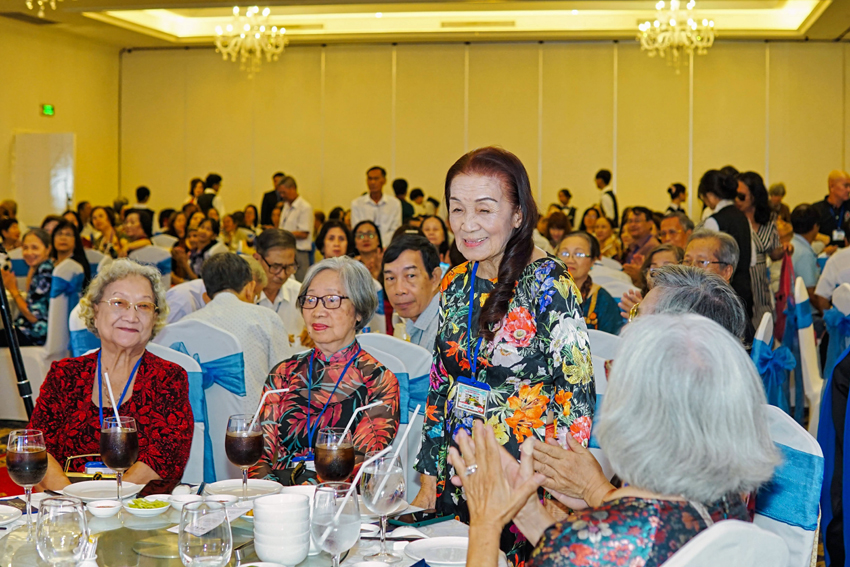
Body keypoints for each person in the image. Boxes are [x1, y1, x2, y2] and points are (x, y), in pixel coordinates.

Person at [454, 312, 778, 567]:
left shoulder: (592, 542)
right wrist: (524, 509)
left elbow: (582, 554)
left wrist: (485, 524)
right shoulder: (725, 507)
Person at [413, 147, 594, 564]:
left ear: (517, 215)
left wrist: (557, 498)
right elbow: (440, 384)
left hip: (526, 484)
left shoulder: (548, 284)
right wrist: (428, 477)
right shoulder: (456, 282)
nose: (467, 224)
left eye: (484, 209)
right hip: (460, 468)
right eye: (457, 209)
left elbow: (576, 400)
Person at [28, 259, 193, 490]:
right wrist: (71, 500)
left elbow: (165, 458)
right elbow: (38, 449)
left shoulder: (169, 378)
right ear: (96, 311)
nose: (132, 316)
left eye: (144, 306)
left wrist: (109, 501)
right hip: (66, 503)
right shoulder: (65, 375)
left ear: (155, 318)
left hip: (138, 506)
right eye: (119, 303)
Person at [250, 257, 399, 480]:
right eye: (310, 300)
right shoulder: (283, 373)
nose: (318, 311)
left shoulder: (378, 380)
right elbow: (259, 454)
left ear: (359, 311)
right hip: (281, 493)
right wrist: (271, 492)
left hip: (340, 495)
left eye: (332, 300)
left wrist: (307, 493)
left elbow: (360, 465)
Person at [184, 253, 292, 412]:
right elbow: (285, 382)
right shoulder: (266, 318)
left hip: (198, 424)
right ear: (250, 288)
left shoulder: (185, 324)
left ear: (206, 295)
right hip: (254, 422)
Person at [699, 169, 755, 320]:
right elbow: (753, 259)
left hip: (721, 294)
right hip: (744, 290)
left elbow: (707, 264)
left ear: (710, 196)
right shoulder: (744, 218)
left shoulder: (714, 221)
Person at [736, 172, 786, 325]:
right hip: (739, 281)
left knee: (763, 325)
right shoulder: (734, 219)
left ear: (754, 195)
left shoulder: (768, 218)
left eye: (742, 196)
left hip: (760, 284)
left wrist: (785, 249)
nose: (737, 200)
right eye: (735, 195)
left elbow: (774, 253)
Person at [382, 234, 442, 350]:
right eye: (390, 278)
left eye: (410, 276)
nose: (399, 290)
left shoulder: (443, 333)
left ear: (435, 278)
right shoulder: (417, 321)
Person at [557, 232, 624, 335]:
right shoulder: (543, 293)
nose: (570, 260)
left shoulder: (602, 300)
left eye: (579, 254)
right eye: (564, 253)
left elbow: (612, 340)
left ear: (593, 261)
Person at [0, 229, 54, 346]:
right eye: (25, 248)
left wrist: (13, 289)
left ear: (48, 249)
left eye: (35, 248)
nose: (29, 252)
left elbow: (33, 316)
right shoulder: (41, 268)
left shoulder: (44, 273)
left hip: (34, 332)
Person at [254, 229, 304, 340]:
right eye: (275, 267)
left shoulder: (301, 295)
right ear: (257, 259)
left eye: (289, 267)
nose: (282, 275)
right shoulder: (242, 297)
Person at [350, 166, 402, 245]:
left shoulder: (394, 204)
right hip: (364, 246)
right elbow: (357, 230)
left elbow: (395, 229)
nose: (372, 182)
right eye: (370, 179)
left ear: (384, 181)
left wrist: (381, 244)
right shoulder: (357, 204)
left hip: (388, 247)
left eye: (376, 179)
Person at [277, 176, 313, 282]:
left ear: (292, 188)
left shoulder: (304, 207)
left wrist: (283, 234)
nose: (282, 195)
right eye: (280, 193)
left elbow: (304, 233)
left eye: (284, 192)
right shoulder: (286, 206)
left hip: (299, 252)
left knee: (300, 284)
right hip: (285, 250)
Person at [621, 207, 660, 286]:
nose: (632, 225)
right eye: (630, 221)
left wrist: (639, 275)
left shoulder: (653, 248)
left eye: (637, 221)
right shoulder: (634, 245)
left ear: (650, 224)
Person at [790, 204, 822, 299]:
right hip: (804, 306)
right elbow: (810, 292)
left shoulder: (793, 244)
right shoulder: (804, 254)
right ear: (815, 226)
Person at [812, 170, 850, 250]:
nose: (849, 190)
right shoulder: (816, 209)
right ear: (832, 187)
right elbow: (805, 234)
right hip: (825, 253)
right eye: (845, 186)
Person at [50, 220, 92, 287]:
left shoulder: (79, 265)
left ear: (75, 240)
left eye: (68, 234)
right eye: (59, 234)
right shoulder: (48, 263)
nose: (63, 238)